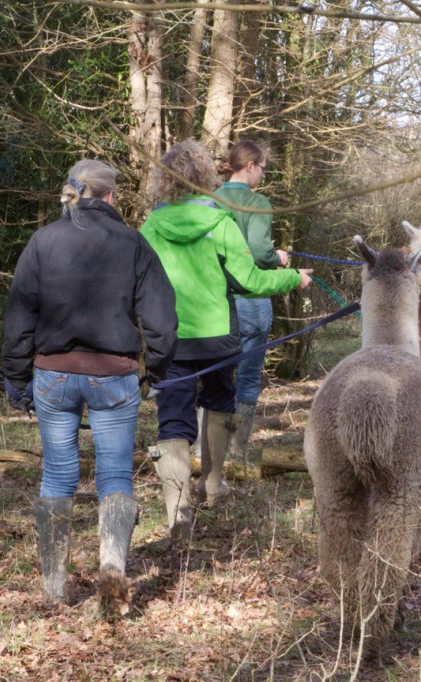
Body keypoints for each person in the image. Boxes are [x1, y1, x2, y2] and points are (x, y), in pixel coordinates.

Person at [2, 159, 177, 620]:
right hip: (113, 376)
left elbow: (19, 318)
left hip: (53, 377)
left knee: (58, 476)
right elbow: (161, 320)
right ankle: (113, 564)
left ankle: (54, 588)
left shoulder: (42, 242)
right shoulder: (133, 243)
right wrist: (156, 370)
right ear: (111, 197)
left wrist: (16, 378)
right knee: (115, 476)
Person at [139, 139, 311, 539]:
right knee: (219, 402)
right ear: (205, 177)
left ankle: (177, 513)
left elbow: (137, 285)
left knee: (173, 420)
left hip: (171, 339)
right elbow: (250, 282)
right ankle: (212, 484)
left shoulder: (150, 227)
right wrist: (292, 277)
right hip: (218, 337)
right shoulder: (219, 224)